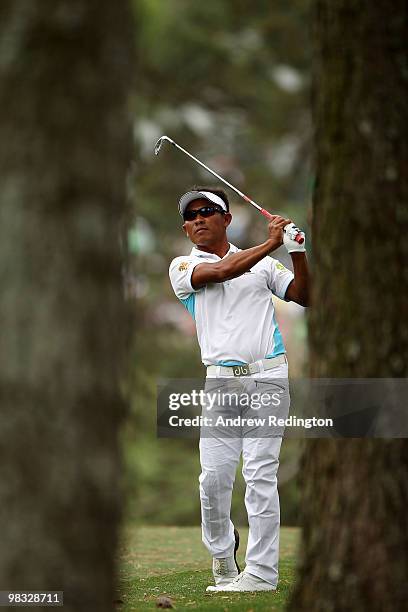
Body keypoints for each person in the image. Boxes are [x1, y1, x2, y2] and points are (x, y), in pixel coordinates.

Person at [168, 187, 309, 592]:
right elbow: (222, 272)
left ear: (226, 219)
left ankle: (262, 575)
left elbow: (305, 296)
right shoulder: (182, 267)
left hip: (269, 377)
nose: (198, 219)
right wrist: (272, 242)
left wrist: (297, 252)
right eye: (191, 215)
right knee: (212, 479)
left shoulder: (263, 267)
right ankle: (222, 552)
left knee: (260, 475)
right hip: (220, 381)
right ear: (185, 227)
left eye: (208, 211)